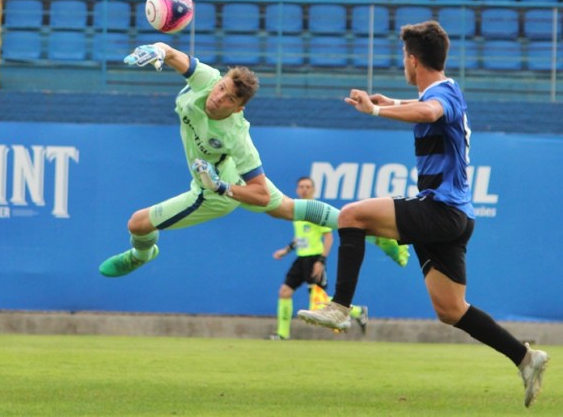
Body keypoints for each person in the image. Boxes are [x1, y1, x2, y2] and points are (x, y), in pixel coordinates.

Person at [297, 21, 549, 407]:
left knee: (351, 215)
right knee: (451, 309)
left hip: (441, 209)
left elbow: (431, 112)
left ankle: (340, 307)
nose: (403, 62)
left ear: (413, 60)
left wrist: (377, 113)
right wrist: (390, 103)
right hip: (456, 218)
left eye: (404, 57)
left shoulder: (440, 97)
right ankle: (526, 357)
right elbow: (427, 107)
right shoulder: (448, 90)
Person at [98, 42, 409, 280]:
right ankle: (378, 234)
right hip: (222, 176)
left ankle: (143, 254)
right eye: (222, 89)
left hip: (215, 191)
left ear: (238, 109)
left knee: (137, 224)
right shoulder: (207, 80)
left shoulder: (236, 136)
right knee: (288, 208)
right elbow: (171, 53)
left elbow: (258, 191)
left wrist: (220, 188)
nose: (219, 97)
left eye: (230, 98)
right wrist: (157, 49)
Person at [269, 176, 368, 341]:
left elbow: (329, 238)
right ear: (296, 190)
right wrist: (286, 250)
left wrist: (321, 261)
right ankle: (282, 334)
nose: (304, 189)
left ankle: (357, 311)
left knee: (316, 301)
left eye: (308, 186)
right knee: (284, 292)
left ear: (313, 190)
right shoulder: (297, 210)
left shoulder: (316, 210)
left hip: (314, 260)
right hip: (300, 259)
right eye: (301, 186)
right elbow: (301, 238)